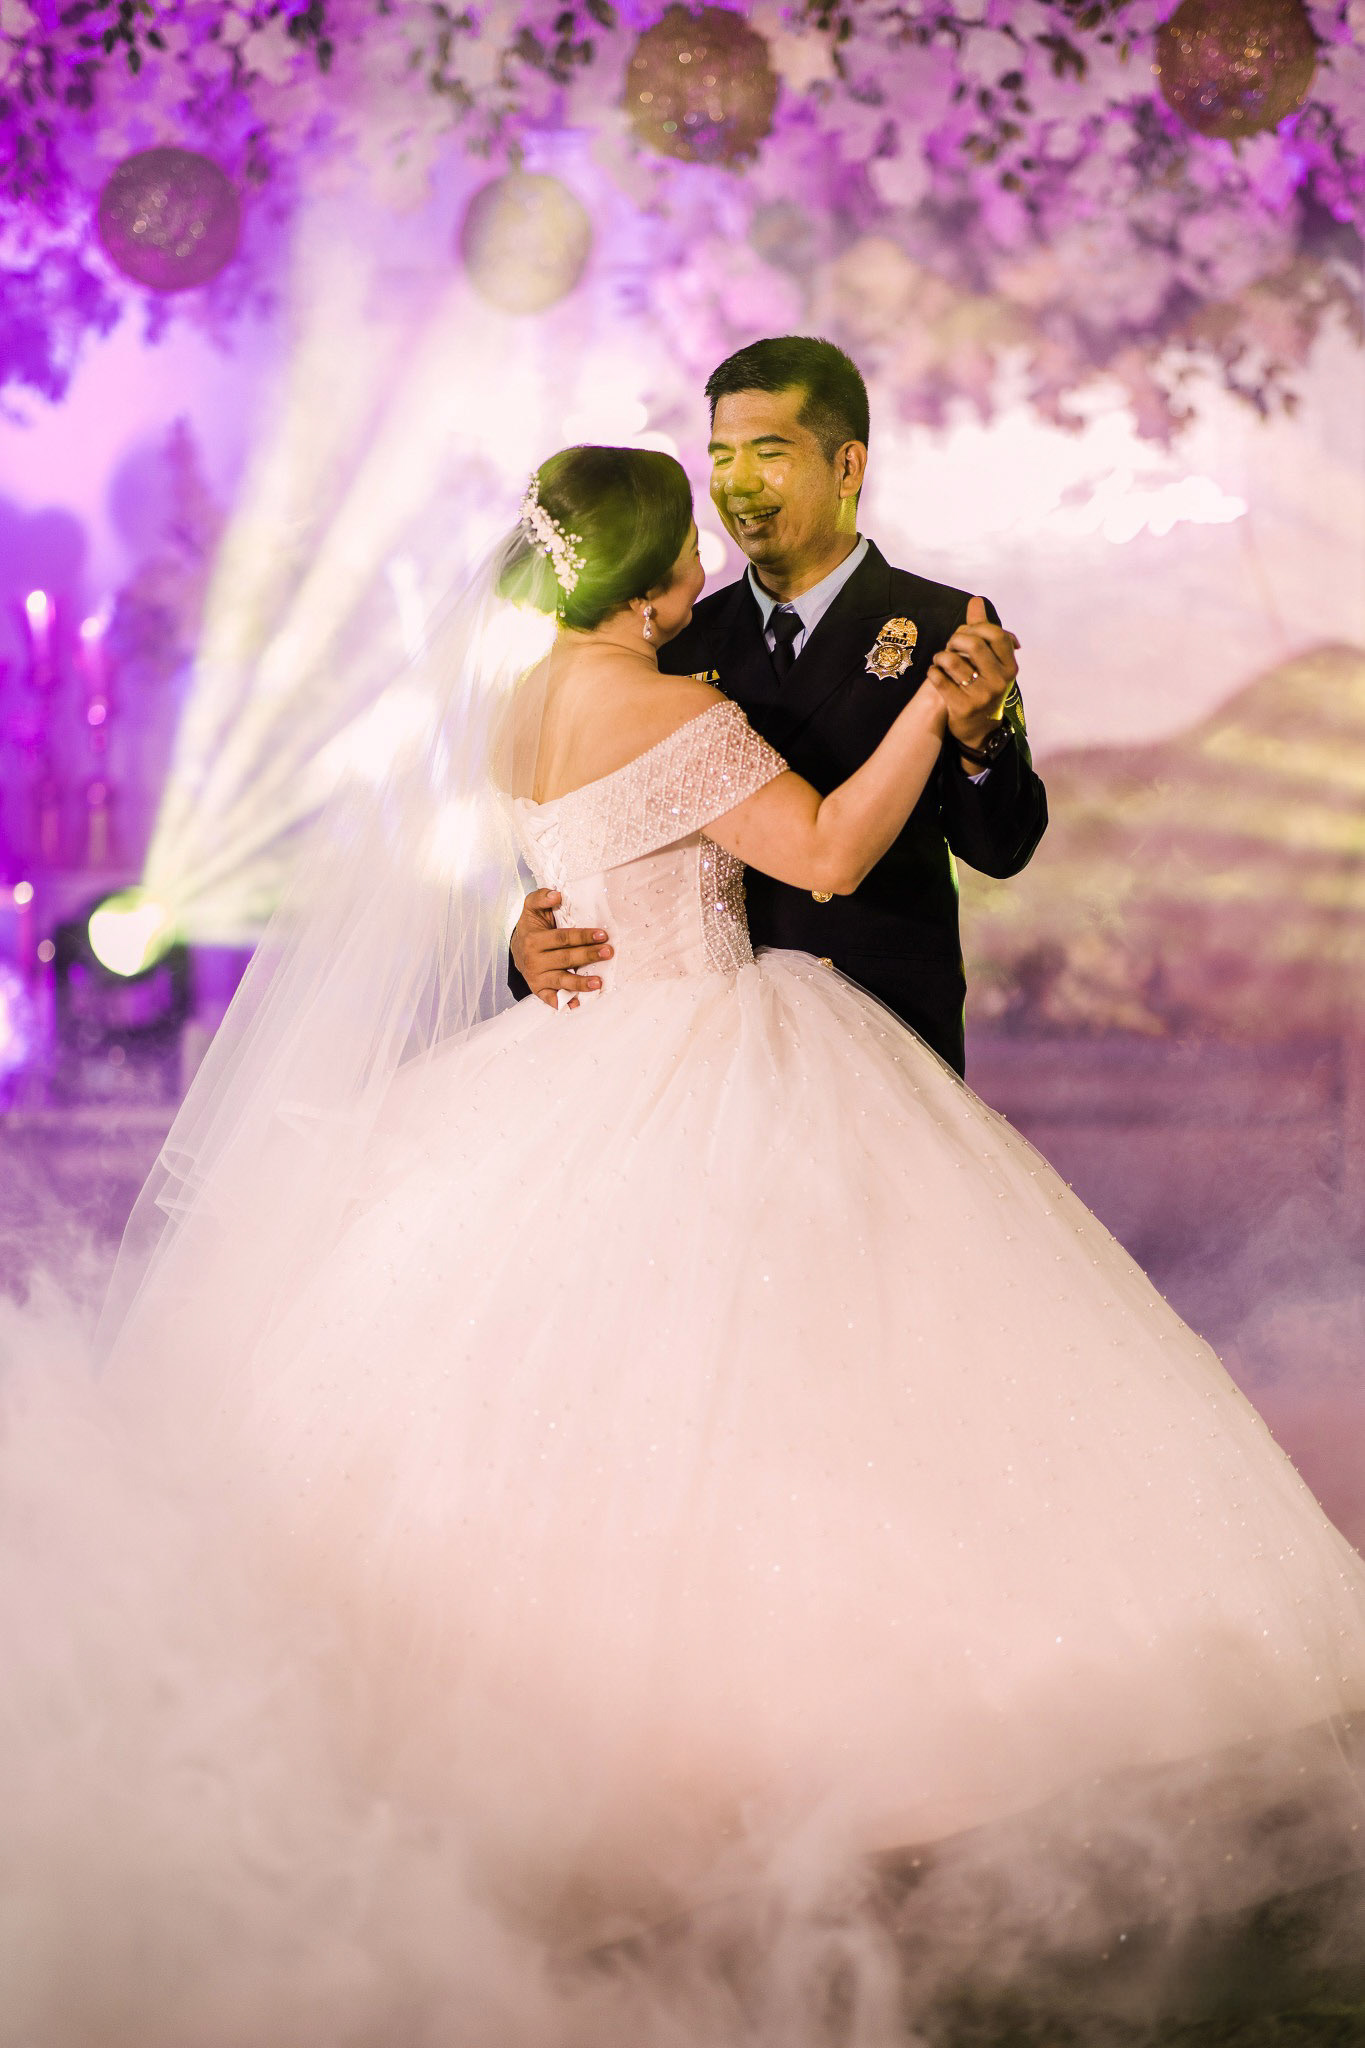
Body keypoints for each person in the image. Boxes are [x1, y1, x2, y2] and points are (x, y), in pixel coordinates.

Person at [3, 441, 1364, 2044]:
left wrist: (540, 919)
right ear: (658, 578)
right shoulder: (672, 708)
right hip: (708, 1047)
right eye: (696, 522)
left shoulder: (518, 700)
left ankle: (544, 1770)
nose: (718, 544)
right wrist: (925, 716)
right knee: (794, 1408)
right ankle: (783, 1772)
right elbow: (830, 854)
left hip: (572, 1058)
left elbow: (577, 854)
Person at [509, 336, 1047, 1075]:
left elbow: (1001, 849)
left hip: (886, 1035)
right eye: (721, 457)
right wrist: (530, 944)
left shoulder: (945, 627)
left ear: (847, 466)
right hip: (702, 1058)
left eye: (767, 454)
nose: (738, 484)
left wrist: (980, 740)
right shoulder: (664, 641)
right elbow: (596, 847)